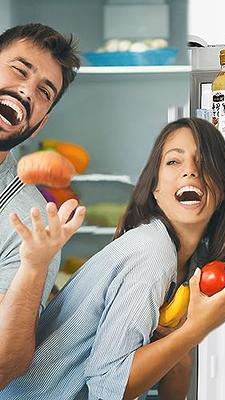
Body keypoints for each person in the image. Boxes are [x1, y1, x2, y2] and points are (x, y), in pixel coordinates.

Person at [0, 117, 225, 400]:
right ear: (155, 188)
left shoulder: (189, 262)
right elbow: (108, 388)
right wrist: (197, 328)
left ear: (223, 189)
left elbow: (178, 363)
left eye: (203, 162)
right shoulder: (152, 252)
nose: (190, 171)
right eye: (174, 162)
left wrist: (183, 344)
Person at [0, 23, 84, 388]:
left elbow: (6, 366)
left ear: (38, 125)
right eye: (19, 70)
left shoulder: (28, 220)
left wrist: (34, 267)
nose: (25, 92)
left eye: (44, 91)